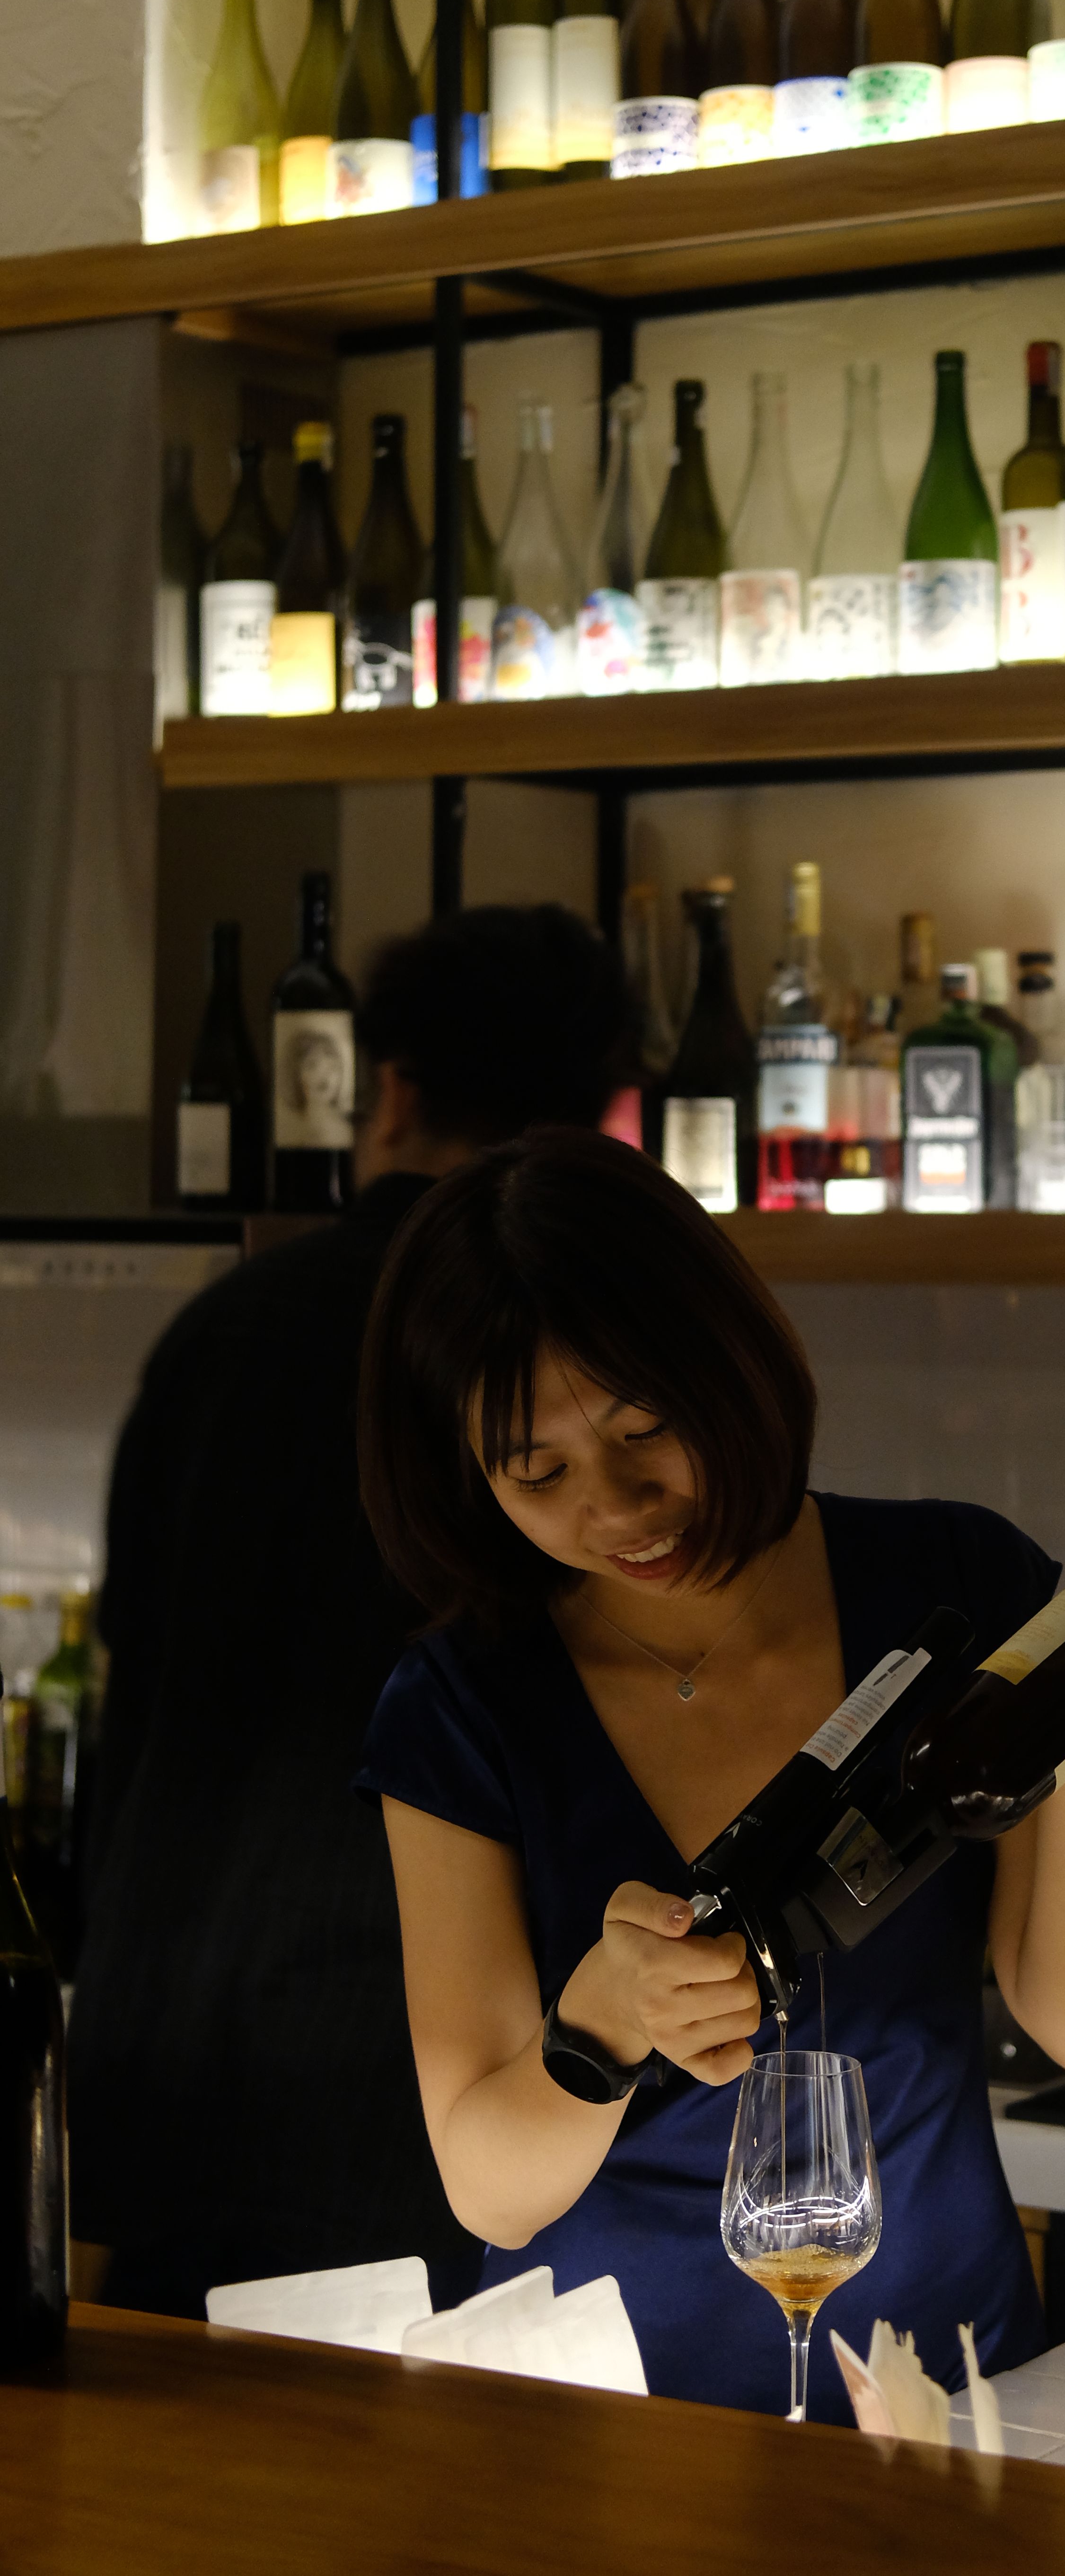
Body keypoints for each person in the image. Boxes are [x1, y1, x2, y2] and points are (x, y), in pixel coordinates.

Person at [356, 1128, 1065, 2420]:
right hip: (609, 2443)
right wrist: (601, 2026)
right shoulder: (465, 1703)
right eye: (543, 1475)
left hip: (940, 2408)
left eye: (650, 1429)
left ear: (729, 1365)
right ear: (472, 1477)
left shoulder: (956, 1588)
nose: (624, 1505)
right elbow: (488, 2184)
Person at [70, 903, 629, 2320]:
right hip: (420, 2104)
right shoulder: (570, 1366)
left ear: (391, 1092)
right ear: (610, 1118)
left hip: (164, 2057)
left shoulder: (225, 1330)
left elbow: (134, 1702)